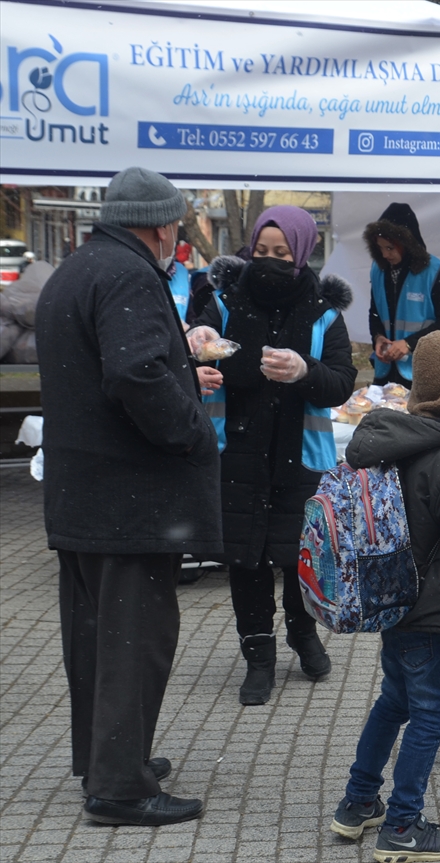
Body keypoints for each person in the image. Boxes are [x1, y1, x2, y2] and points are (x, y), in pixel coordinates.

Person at [35, 166, 221, 826]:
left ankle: (109, 754)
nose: (179, 237)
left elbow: (111, 367)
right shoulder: (129, 273)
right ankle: (118, 785)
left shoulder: (77, 268)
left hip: (82, 493)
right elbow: (136, 372)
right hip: (129, 499)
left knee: (95, 635)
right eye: (177, 226)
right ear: (161, 225)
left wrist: (177, 376)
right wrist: (193, 429)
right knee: (133, 637)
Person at [330, 331, 440, 863]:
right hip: (433, 604)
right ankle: (403, 827)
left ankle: (358, 802)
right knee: (431, 711)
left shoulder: (395, 438)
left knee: (396, 700)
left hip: (392, 596)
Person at [191, 206, 357, 706]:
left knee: (297, 555)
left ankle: (301, 633)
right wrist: (195, 358)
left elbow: (342, 383)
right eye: (261, 252)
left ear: (302, 252)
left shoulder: (324, 313)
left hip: (301, 456)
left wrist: (305, 370)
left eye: (281, 254)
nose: (269, 262)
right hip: (235, 453)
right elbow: (192, 351)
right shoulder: (221, 303)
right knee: (247, 560)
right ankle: (258, 655)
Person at [365, 204, 440, 387]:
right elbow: (374, 312)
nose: (384, 254)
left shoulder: (433, 270)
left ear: (406, 244)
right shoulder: (378, 269)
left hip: (422, 375)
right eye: (380, 247)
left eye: (390, 248)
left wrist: (408, 344)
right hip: (384, 372)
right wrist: (378, 337)